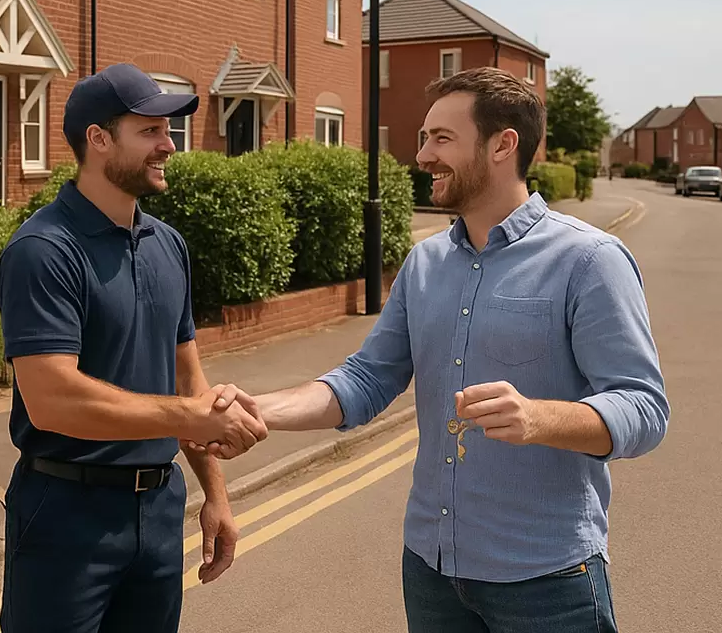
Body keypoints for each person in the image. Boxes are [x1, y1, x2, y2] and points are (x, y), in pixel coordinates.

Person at [196, 67, 668, 632]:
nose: (422, 155)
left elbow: (644, 407)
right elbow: (367, 379)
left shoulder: (589, 261)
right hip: (431, 570)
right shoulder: (424, 264)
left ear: (502, 144)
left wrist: (539, 417)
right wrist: (258, 409)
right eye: (425, 138)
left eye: (441, 138)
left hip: (546, 577)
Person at [0, 63, 267, 633]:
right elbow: (51, 399)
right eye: (150, 131)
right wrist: (192, 415)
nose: (169, 145)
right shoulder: (44, 250)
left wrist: (215, 494)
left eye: (168, 132)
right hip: (66, 514)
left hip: (158, 510)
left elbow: (188, 381)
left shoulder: (168, 245)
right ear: (98, 139)